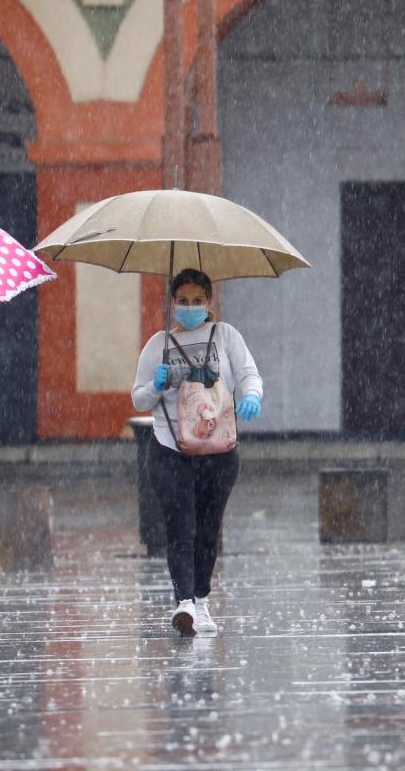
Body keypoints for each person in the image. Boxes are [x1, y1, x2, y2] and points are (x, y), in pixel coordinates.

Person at [131, 269, 263, 636]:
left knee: (208, 527)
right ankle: (183, 601)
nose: (189, 308)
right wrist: (156, 385)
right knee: (180, 525)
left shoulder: (226, 336)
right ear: (172, 303)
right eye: (182, 301)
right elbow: (139, 397)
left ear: (210, 303)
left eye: (197, 301)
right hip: (170, 449)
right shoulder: (158, 344)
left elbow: (249, 373)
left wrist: (252, 395)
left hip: (218, 450)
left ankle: (201, 601)